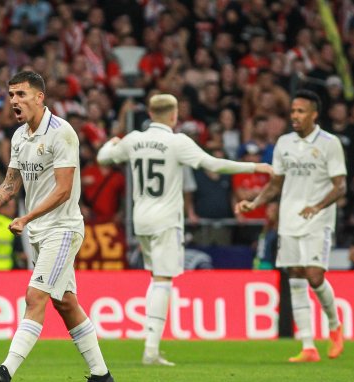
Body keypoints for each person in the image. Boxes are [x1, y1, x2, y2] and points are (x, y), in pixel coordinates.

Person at [0, 71, 114, 382]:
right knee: (65, 303)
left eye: (21, 94)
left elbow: (64, 190)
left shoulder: (62, 133)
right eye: (11, 95)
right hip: (38, 230)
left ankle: (6, 371)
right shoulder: (19, 137)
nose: (14, 101)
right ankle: (101, 376)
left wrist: (26, 217)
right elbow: (10, 186)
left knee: (34, 297)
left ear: (40, 97)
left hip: (63, 229)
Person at [97, 93, 273, 366]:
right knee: (163, 281)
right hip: (166, 220)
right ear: (174, 115)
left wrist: (112, 140)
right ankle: (151, 351)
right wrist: (255, 165)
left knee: (156, 278)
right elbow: (213, 164)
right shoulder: (176, 142)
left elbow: (102, 158)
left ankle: (151, 345)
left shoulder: (133, 139)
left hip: (141, 219)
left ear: (151, 114)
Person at [235, 90, 346, 363]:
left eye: (301, 111)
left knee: (315, 276)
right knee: (295, 276)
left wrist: (318, 207)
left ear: (314, 114)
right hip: (289, 219)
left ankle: (334, 325)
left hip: (317, 220)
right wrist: (255, 202)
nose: (295, 116)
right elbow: (276, 183)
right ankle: (308, 346)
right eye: (293, 111)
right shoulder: (283, 143)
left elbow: (340, 185)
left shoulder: (330, 143)